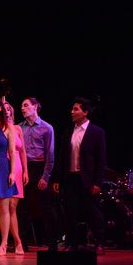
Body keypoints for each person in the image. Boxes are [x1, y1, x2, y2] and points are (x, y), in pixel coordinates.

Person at [52, 97, 106, 255]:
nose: (72, 112)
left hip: (88, 179)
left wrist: (98, 182)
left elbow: (101, 160)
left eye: (76, 109)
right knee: (70, 213)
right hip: (70, 178)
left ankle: (100, 243)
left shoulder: (97, 132)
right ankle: (72, 243)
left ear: (85, 112)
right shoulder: (69, 131)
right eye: (72, 109)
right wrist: (57, 179)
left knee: (93, 212)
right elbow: (62, 157)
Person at [16, 97, 58, 252]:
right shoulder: (19, 127)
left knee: (45, 207)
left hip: (39, 168)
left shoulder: (47, 128)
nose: (22, 108)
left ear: (35, 107)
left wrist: (45, 177)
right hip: (23, 169)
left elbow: (50, 153)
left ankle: (52, 244)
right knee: (22, 207)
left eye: (26, 105)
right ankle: (22, 244)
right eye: (21, 106)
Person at [0, 100, 28, 254]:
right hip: (0, 166)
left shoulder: (15, 128)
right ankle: (16, 242)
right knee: (8, 207)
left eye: (9, 109)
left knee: (11, 207)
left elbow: (21, 151)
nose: (7, 111)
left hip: (14, 167)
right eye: (5, 109)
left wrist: (25, 171)